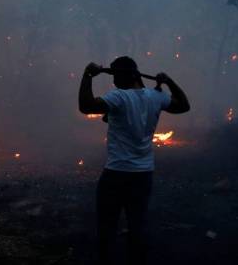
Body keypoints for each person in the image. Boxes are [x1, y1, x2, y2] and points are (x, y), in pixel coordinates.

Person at [78, 56, 190, 265]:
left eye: (115, 76)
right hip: (143, 174)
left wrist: (87, 75)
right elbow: (183, 105)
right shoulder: (155, 96)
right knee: (137, 225)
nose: (113, 81)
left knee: (106, 227)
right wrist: (169, 81)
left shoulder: (119, 97)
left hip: (116, 173)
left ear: (125, 76)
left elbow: (86, 106)